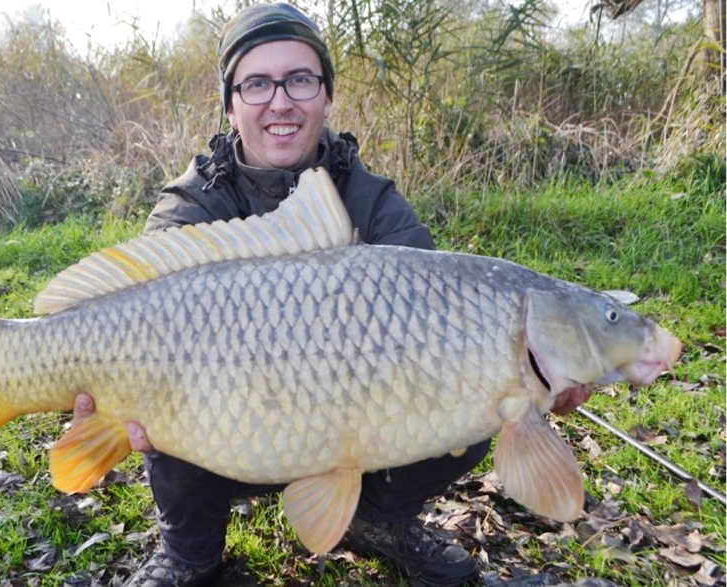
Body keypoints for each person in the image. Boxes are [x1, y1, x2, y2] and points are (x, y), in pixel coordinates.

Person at [71, 4, 593, 586]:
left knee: (484, 373)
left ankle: (378, 520)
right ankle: (189, 552)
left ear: (325, 96)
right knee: (160, 381)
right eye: (256, 83)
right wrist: (113, 405)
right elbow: (135, 318)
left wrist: (541, 374)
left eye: (300, 79)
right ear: (230, 103)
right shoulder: (192, 206)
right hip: (224, 437)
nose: (280, 101)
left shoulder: (371, 200)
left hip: (353, 429)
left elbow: (446, 312)